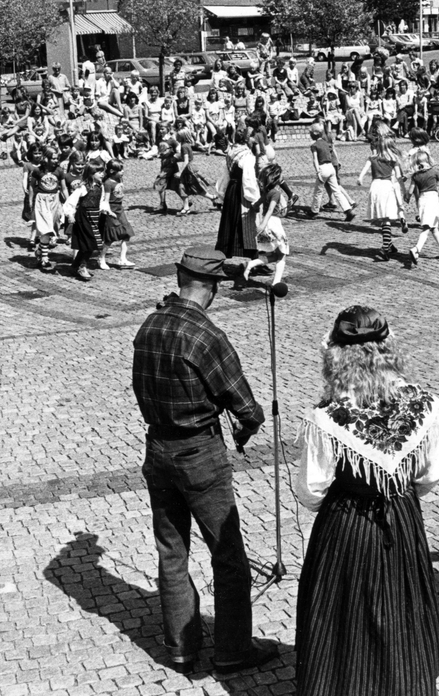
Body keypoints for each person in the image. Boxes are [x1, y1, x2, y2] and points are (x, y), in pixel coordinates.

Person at [131, 246, 279, 676]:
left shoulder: (149, 324)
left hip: (157, 448)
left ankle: (181, 649)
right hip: (199, 455)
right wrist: (245, 429)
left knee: (171, 551)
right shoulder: (206, 335)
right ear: (211, 288)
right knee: (228, 555)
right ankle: (233, 650)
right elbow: (247, 408)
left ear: (180, 280)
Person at [294, 305, 439, 696]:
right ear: (388, 348)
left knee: (343, 614)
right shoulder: (424, 404)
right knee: (402, 604)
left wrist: (344, 503)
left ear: (336, 355)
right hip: (402, 516)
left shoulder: (328, 416)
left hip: (347, 523)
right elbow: (432, 473)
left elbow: (311, 489)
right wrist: (398, 494)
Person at [356, 122, 407, 261]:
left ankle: (389, 244)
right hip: (387, 187)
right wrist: (404, 190)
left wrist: (360, 178)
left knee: (383, 218)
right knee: (386, 218)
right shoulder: (393, 159)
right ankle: (385, 247)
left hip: (375, 187)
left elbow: (364, 170)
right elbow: (399, 177)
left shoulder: (372, 158)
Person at [216, 129, 260, 259]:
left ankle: (225, 251)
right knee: (247, 222)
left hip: (231, 189)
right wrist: (254, 199)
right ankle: (253, 257)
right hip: (241, 191)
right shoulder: (247, 155)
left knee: (230, 222)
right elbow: (248, 178)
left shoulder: (231, 152)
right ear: (246, 139)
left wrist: (221, 195)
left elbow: (225, 175)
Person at [406, 152, 439, 266]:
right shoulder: (434, 172)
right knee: (427, 228)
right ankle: (416, 249)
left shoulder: (415, 175)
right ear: (428, 160)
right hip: (432, 200)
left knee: (433, 226)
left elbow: (410, 191)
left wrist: (407, 198)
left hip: (422, 201)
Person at [306, 123, 355, 220]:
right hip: (331, 167)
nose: (310, 134)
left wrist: (317, 171)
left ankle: (314, 211)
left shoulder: (314, 145)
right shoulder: (325, 143)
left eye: (310, 133)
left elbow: (315, 160)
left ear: (315, 133)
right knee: (337, 191)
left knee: (318, 191)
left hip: (323, 168)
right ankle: (348, 210)